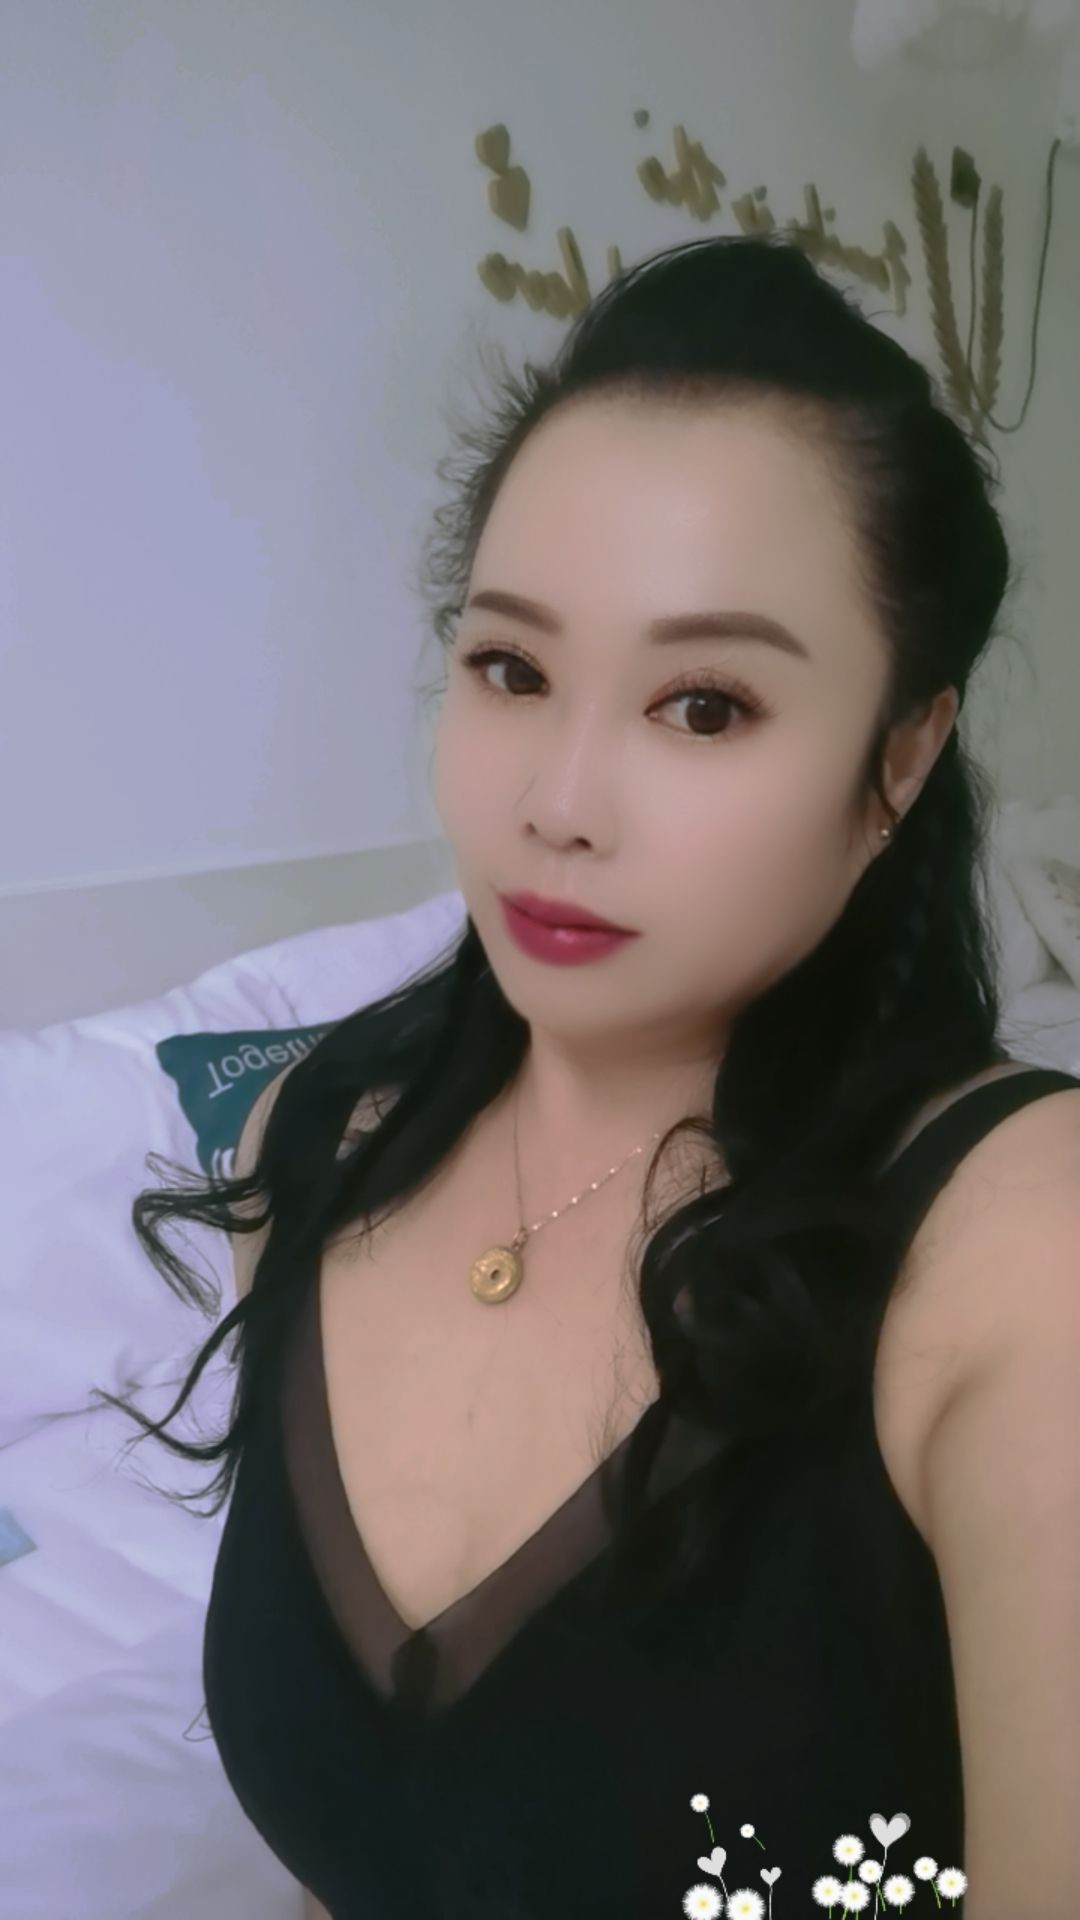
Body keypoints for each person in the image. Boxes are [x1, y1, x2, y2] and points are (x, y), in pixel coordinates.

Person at [106, 233, 1080, 1919]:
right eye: (512, 668)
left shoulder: (1017, 1257)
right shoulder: (313, 1141)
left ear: (901, 754)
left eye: (703, 707)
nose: (557, 803)